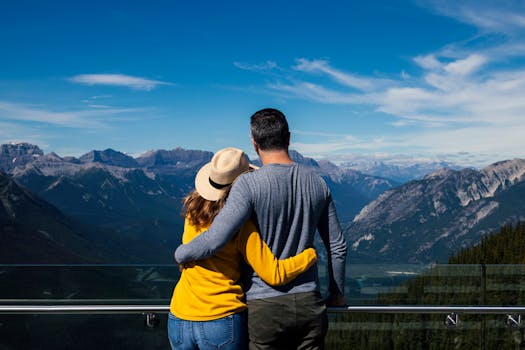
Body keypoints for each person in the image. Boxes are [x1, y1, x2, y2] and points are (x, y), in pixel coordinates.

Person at [175, 108, 347, 349]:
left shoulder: (247, 184)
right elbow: (337, 245)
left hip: (264, 305)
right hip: (310, 301)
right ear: (288, 137)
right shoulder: (318, 183)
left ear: (254, 144)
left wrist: (181, 253)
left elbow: (215, 239)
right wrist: (337, 294)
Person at [168, 147, 318, 350]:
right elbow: (274, 274)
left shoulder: (192, 215)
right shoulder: (241, 226)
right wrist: (310, 255)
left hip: (179, 317)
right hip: (220, 317)